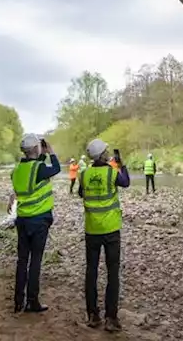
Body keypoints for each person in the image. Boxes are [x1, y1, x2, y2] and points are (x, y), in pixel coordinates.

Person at [78, 138, 130, 331]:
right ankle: (111, 318)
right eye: (106, 151)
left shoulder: (84, 174)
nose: (108, 153)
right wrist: (121, 165)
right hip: (110, 229)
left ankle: (92, 315)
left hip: (92, 228)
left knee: (91, 272)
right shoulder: (111, 172)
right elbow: (126, 183)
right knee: (112, 273)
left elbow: (81, 194)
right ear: (103, 154)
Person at [9, 134, 60, 314]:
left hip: (22, 219)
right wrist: (51, 151)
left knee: (22, 260)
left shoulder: (17, 170)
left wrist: (41, 153)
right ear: (37, 149)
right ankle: (32, 301)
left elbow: (23, 183)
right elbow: (56, 168)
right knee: (35, 260)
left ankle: (17, 301)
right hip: (38, 221)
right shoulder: (39, 168)